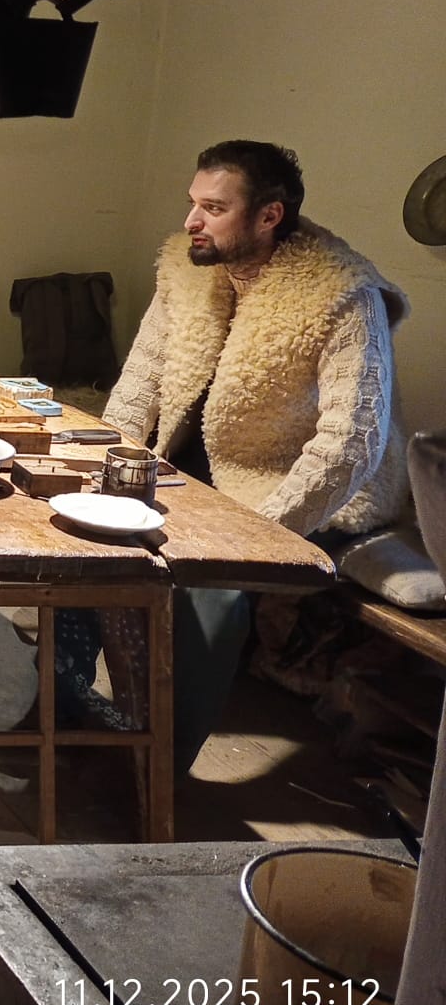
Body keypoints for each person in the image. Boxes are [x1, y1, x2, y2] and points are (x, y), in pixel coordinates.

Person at [74, 140, 410, 767]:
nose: (191, 221)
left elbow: (350, 445)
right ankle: (67, 706)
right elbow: (142, 381)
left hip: (301, 487)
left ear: (268, 216)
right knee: (82, 537)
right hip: (198, 465)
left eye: (213, 208)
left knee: (212, 588)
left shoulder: (343, 294)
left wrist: (255, 536)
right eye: (192, 203)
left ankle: (157, 760)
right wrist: (103, 467)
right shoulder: (184, 269)